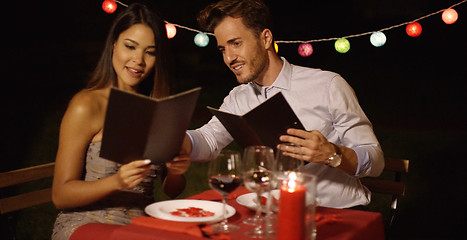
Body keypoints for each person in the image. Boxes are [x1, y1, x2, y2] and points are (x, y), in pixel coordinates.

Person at [182, 0, 384, 208]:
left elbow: (376, 160)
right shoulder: (238, 97)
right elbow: (209, 139)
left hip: (338, 212)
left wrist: (332, 154)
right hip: (274, 211)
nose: (229, 57)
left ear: (266, 38)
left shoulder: (327, 85)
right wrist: (176, 140)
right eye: (222, 49)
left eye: (236, 43)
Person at [51, 3, 190, 240]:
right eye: (130, 46)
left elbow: (172, 190)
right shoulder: (87, 105)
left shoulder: (157, 108)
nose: (138, 60)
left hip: (140, 226)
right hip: (86, 223)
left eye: (150, 51)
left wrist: (176, 172)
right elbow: (61, 195)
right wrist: (116, 181)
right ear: (114, 45)